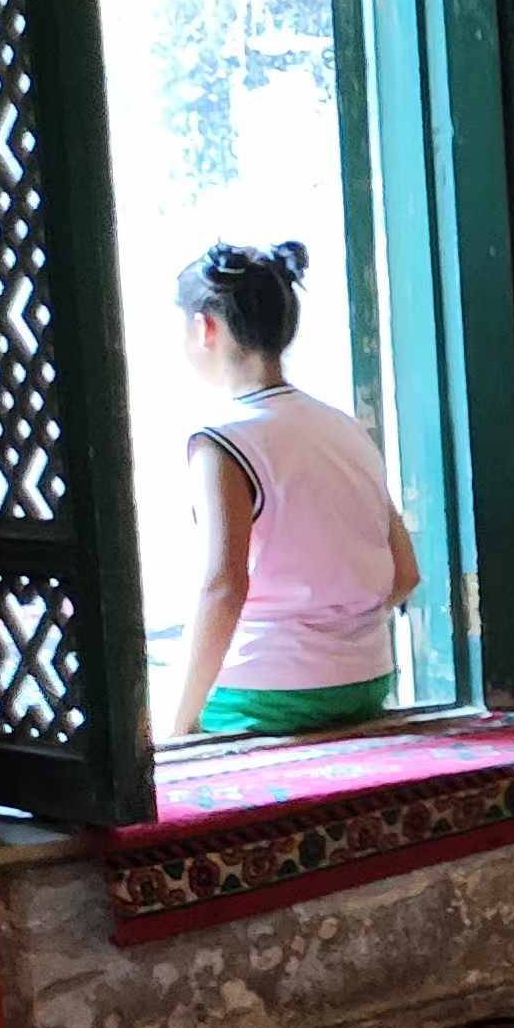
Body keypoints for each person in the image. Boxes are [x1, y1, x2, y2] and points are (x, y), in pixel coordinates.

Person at [162, 242, 415, 738]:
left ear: (204, 328)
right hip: (366, 682)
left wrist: (177, 724)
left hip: (266, 692)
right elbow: (405, 574)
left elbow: (223, 588)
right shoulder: (346, 429)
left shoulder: (222, 442)